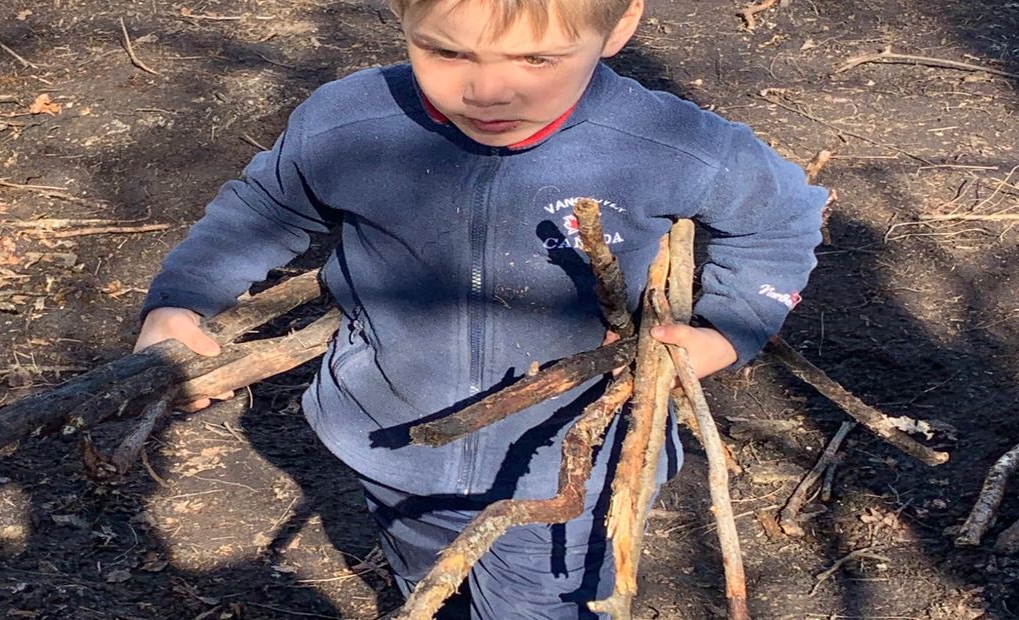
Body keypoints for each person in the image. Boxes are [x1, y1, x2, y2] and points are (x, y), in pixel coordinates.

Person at [134, 0, 826, 616]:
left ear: (619, 25)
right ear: (401, 19)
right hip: (390, 439)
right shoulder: (351, 122)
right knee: (429, 583)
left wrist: (729, 328)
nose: (489, 89)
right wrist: (180, 301)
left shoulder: (670, 145)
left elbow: (784, 216)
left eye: (537, 58)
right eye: (446, 50)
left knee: (541, 606)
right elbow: (264, 207)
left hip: (569, 472)